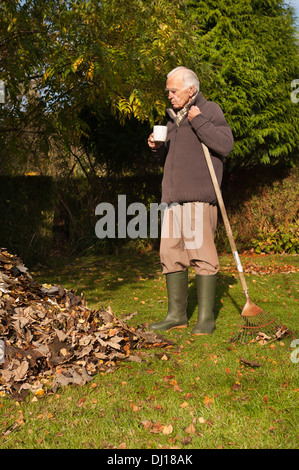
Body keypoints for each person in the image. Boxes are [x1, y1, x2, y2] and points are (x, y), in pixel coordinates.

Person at [147, 66, 234, 335]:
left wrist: (199, 121)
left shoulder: (209, 111)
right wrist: (157, 148)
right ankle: (176, 315)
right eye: (168, 92)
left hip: (198, 198)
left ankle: (206, 318)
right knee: (170, 255)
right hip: (172, 199)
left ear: (191, 90)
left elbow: (225, 145)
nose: (169, 96)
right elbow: (171, 160)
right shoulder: (172, 119)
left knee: (202, 256)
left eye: (173, 91)